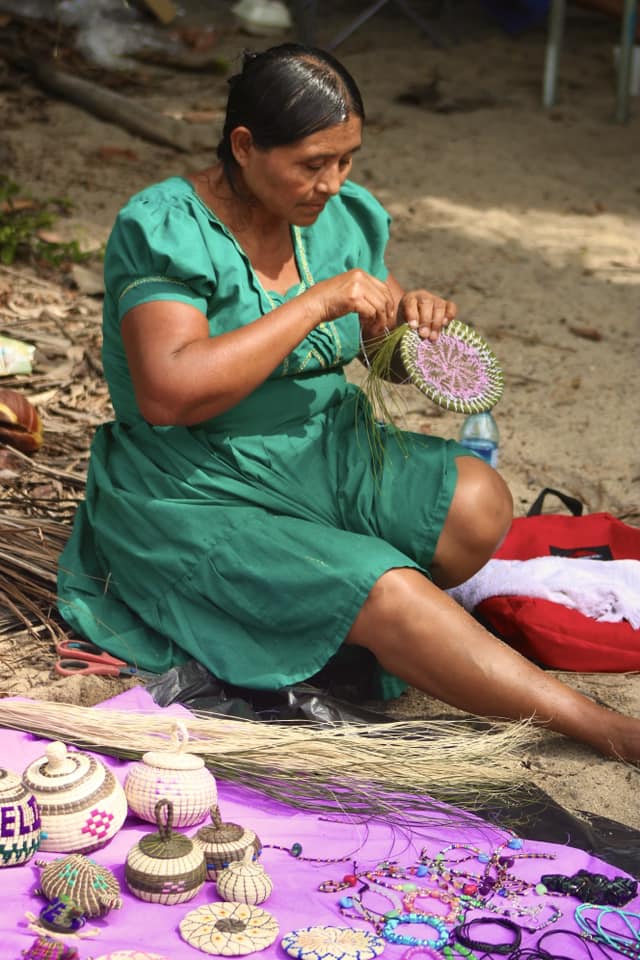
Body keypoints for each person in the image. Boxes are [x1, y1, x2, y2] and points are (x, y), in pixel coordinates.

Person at [58, 42, 640, 761]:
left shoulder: (340, 219)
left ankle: (347, 612)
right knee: (385, 587)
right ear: (244, 146)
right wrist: (317, 302)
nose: (332, 183)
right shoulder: (167, 226)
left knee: (477, 502)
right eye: (311, 163)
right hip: (194, 483)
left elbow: (373, 354)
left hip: (317, 447)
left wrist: (407, 326)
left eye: (347, 159)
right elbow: (171, 391)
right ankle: (597, 727)